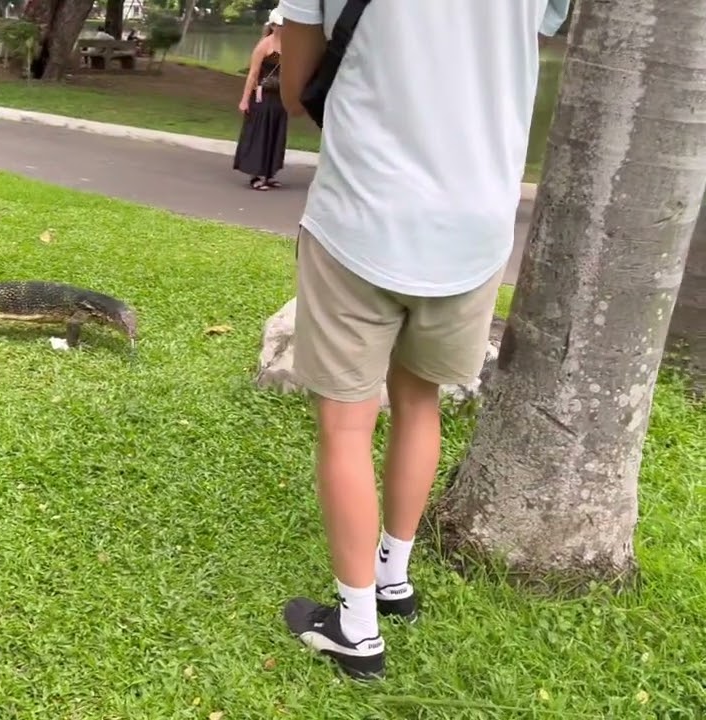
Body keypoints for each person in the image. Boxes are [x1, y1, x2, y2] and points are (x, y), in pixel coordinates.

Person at [276, 0, 571, 680]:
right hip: (475, 225)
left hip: (362, 217)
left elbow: (295, 93)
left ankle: (355, 629)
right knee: (420, 402)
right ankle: (394, 580)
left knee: (345, 426)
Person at [233, 8, 289, 191]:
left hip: (280, 97)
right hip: (262, 96)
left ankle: (270, 173)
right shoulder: (264, 45)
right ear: (273, 25)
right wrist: (244, 99)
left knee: (276, 133)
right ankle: (255, 175)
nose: (283, 27)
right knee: (260, 133)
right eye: (280, 24)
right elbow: (253, 74)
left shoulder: (291, 44)